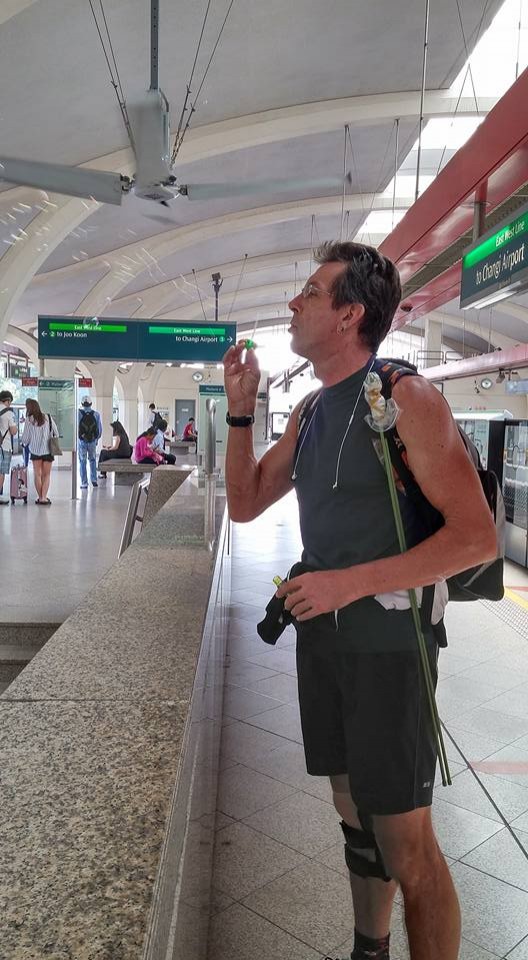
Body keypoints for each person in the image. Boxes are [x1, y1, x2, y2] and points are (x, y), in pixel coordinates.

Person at [223, 241, 497, 960]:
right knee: (356, 820)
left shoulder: (407, 397)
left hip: (390, 648)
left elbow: (476, 539)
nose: (294, 302)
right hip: (327, 645)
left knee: (410, 848)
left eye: (310, 293)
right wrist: (241, 414)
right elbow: (247, 503)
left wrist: (346, 583)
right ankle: (367, 949)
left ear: (349, 315)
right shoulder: (312, 409)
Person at [21, 398, 59, 505]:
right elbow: (56, 432)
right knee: (46, 475)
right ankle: (44, 498)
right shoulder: (48, 417)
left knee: (37, 474)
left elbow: (26, 438)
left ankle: (40, 497)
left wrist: (23, 443)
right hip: (48, 450)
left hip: (35, 451)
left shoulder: (29, 420)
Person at [78, 397, 102, 489]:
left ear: (82, 404)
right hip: (92, 441)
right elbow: (99, 430)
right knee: (92, 460)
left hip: (82, 441)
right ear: (91, 404)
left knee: (82, 461)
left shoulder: (78, 414)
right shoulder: (96, 414)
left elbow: (76, 429)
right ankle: (94, 479)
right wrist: (96, 440)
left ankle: (84, 483)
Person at [0, 389, 18, 505]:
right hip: (4, 447)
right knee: (1, 471)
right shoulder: (9, 413)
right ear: (7, 401)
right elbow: (13, 431)